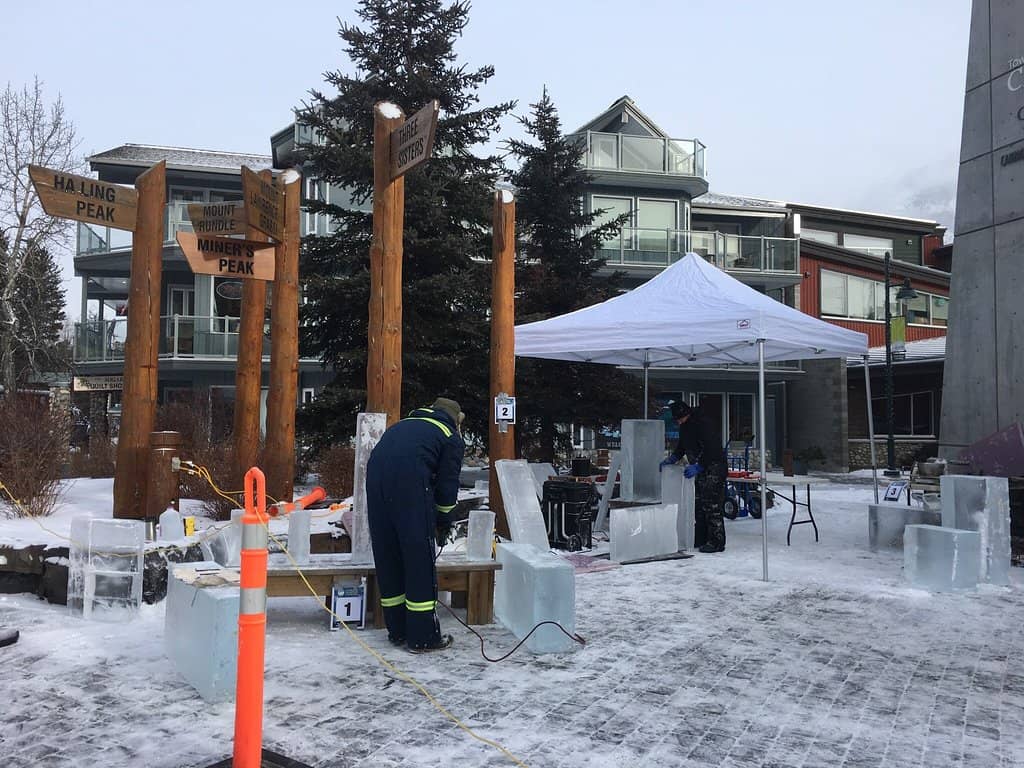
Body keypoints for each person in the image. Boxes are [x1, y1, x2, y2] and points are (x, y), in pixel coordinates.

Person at [366, 397, 465, 652]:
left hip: (376, 484)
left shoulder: (403, 425)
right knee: (418, 558)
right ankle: (423, 638)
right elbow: (447, 487)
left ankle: (397, 631)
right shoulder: (449, 435)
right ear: (456, 419)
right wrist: (443, 521)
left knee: (389, 555)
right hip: (409, 486)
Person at [660, 401, 728, 553]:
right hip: (700, 469)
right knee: (698, 504)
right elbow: (683, 446)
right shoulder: (685, 427)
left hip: (714, 467)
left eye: (680, 419)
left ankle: (716, 541)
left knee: (711, 504)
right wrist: (673, 458)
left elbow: (712, 447)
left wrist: (700, 465)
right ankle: (701, 537)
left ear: (686, 414)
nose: (678, 422)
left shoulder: (703, 423)